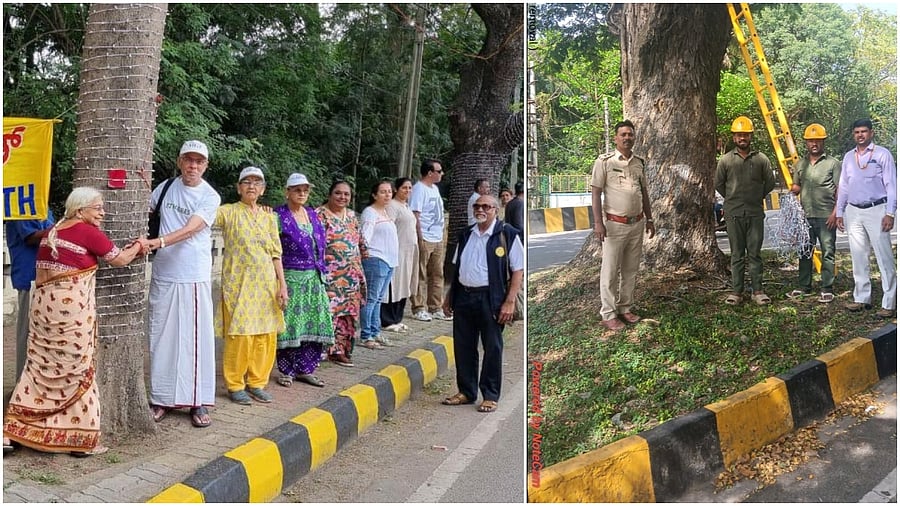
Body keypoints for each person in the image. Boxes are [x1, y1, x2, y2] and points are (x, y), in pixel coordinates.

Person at [3, 187, 144, 456]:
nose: (103, 213)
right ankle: (81, 441)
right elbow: (121, 259)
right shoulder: (87, 232)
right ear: (80, 210)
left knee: (38, 370)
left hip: (44, 313)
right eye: (97, 207)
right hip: (72, 318)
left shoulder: (54, 230)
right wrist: (140, 244)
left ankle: (13, 433)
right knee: (78, 371)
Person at [147, 140, 221, 428]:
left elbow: (192, 228)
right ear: (180, 161)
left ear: (205, 165)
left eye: (199, 161)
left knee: (195, 339)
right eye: (188, 160)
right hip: (164, 273)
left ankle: (197, 400)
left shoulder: (209, 196)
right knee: (161, 335)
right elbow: (146, 209)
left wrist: (159, 242)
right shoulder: (165, 188)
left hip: (192, 275)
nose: (193, 166)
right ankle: (161, 397)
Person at [440, 194, 523, 413]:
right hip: (464, 297)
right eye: (477, 206)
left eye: (486, 206)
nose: (480, 209)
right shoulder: (466, 234)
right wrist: (450, 296)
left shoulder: (507, 234)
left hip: (492, 299)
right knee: (464, 346)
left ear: (496, 209)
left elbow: (517, 271)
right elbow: (457, 268)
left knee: (492, 347)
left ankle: (490, 395)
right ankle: (467, 391)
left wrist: (509, 301)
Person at [214, 166, 287, 405]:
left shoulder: (269, 217)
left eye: (257, 182)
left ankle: (257, 382)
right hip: (239, 285)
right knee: (240, 336)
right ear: (238, 187)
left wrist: (282, 285)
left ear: (263, 189)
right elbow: (203, 217)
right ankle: (235, 384)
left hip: (267, 284)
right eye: (246, 182)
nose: (251, 186)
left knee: (265, 336)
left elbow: (276, 253)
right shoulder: (228, 212)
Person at [590, 120, 656, 331]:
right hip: (613, 225)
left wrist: (650, 218)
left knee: (630, 269)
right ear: (616, 138)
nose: (627, 138)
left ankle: (625, 307)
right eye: (623, 134)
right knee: (610, 270)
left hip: (637, 224)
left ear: (634, 137)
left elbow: (644, 192)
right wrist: (598, 223)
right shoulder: (604, 161)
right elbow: (596, 193)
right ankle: (608, 313)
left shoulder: (639, 162)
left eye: (630, 134)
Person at [273, 173, 334, 388]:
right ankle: (286, 369)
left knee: (315, 321)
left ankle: (305, 368)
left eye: (305, 190)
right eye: (297, 190)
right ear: (287, 191)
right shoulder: (278, 215)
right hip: (291, 278)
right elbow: (273, 250)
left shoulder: (311, 214)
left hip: (314, 278)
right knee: (290, 325)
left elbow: (321, 246)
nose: (301, 194)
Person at [835, 119, 897, 317]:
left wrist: (890, 213)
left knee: (884, 257)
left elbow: (891, 186)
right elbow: (843, 186)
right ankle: (861, 298)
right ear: (853, 135)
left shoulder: (882, 154)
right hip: (854, 211)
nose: (860, 135)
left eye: (864, 131)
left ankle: (889, 302)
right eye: (856, 132)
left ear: (871, 133)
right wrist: (839, 212)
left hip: (877, 210)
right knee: (858, 256)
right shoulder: (848, 157)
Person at [715, 116, 776, 306]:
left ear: (751, 137)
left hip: (755, 213)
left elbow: (770, 183)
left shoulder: (761, 159)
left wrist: (755, 197)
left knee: (755, 254)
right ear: (734, 138)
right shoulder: (725, 160)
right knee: (736, 254)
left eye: (746, 135)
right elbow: (719, 184)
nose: (743, 138)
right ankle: (737, 292)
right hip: (733, 214)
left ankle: (757, 291)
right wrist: (733, 199)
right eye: (739, 135)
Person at [787, 123, 842, 303]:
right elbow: (797, 186)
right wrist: (790, 194)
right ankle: (804, 286)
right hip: (805, 217)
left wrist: (836, 213)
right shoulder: (800, 164)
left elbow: (839, 190)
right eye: (810, 140)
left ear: (823, 141)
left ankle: (827, 287)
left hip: (826, 216)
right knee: (804, 251)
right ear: (806, 143)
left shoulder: (833, 164)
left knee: (827, 251)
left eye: (817, 140)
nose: (814, 143)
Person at [318, 181, 368, 367]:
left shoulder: (352, 216)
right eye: (338, 193)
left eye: (346, 194)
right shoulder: (319, 215)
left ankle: (341, 351)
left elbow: (359, 240)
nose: (342, 197)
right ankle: (321, 351)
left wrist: (364, 255)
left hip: (351, 275)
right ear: (330, 194)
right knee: (328, 312)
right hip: (330, 276)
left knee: (348, 315)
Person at [5, 211, 55, 381]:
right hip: (30, 276)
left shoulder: (44, 207)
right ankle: (22, 382)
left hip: (47, 275)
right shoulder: (22, 206)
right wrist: (64, 228)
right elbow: (31, 237)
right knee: (27, 332)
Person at [359, 180, 400, 349]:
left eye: (389, 192)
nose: (387, 195)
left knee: (378, 300)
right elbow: (365, 235)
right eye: (383, 192)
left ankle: (375, 332)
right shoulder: (370, 212)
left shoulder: (385, 212)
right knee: (371, 299)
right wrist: (363, 249)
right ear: (374, 195)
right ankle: (366, 334)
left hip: (389, 261)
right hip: (376, 260)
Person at [409, 159, 451, 322]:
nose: (442, 174)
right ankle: (418, 307)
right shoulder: (419, 189)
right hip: (425, 237)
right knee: (420, 273)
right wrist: (420, 237)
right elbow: (416, 215)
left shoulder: (434, 188)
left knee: (437, 273)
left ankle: (435, 307)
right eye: (439, 171)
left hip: (438, 237)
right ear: (430, 173)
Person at [381, 177, 419, 334]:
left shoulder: (406, 206)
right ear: (396, 189)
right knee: (393, 286)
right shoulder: (392, 206)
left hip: (409, 252)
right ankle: (387, 319)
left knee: (404, 285)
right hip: (396, 251)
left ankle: (397, 318)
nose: (408, 191)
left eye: (410, 188)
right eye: (404, 188)